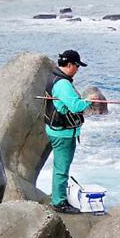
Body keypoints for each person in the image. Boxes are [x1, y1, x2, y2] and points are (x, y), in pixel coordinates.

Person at [44, 50, 92, 214]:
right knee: (62, 169)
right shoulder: (63, 84)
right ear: (70, 65)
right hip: (63, 134)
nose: (77, 70)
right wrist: (89, 101)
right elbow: (75, 106)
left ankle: (59, 196)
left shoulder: (53, 76)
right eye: (77, 66)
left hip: (55, 130)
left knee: (60, 167)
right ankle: (59, 203)